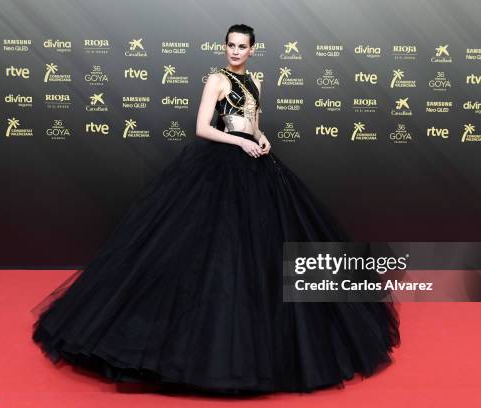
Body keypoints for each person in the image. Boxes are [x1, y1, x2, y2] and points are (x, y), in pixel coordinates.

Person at [31, 24, 400, 395]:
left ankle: (262, 342)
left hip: (255, 165)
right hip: (220, 164)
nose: (235, 51)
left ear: (253, 50)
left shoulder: (257, 81)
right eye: (231, 45)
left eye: (242, 46)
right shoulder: (216, 80)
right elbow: (202, 127)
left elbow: (252, 122)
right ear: (225, 47)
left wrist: (260, 136)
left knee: (263, 250)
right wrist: (238, 143)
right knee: (209, 249)